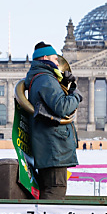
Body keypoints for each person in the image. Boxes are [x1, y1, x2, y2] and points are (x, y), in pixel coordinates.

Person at [24, 41, 82, 200]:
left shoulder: (44, 78)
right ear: (45, 58)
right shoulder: (45, 79)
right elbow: (62, 107)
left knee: (50, 189)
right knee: (55, 191)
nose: (58, 62)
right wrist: (76, 95)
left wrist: (67, 86)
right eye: (55, 59)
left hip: (50, 146)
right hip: (54, 147)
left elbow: (52, 103)